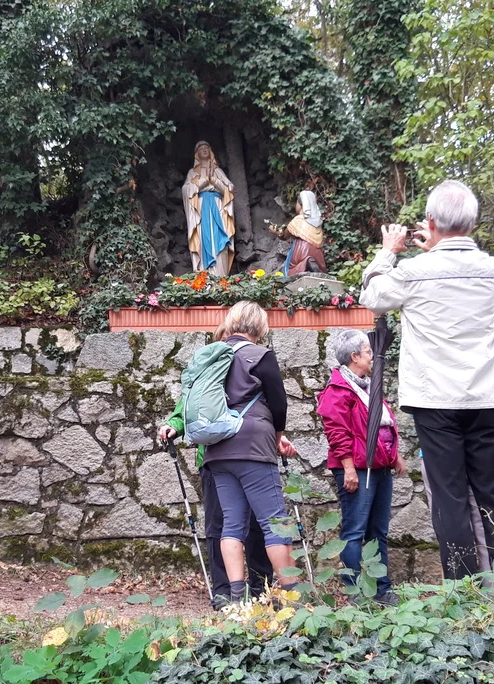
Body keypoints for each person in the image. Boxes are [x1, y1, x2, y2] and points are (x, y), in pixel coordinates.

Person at [359, 180, 494, 580]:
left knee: (449, 498)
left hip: (436, 401)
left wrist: (389, 250)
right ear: (474, 221)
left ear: (430, 221)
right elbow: (453, 268)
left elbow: (372, 296)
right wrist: (434, 244)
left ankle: (464, 591)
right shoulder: (493, 270)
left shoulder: (414, 273)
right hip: (485, 396)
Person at [159, 323, 274, 609]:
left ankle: (261, 588)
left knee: (258, 526)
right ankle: (224, 593)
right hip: (213, 459)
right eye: (223, 341)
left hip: (249, 453)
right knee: (219, 526)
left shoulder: (249, 368)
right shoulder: (207, 372)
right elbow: (186, 409)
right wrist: (173, 426)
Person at [200, 301, 299, 602]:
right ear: (259, 326)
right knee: (274, 520)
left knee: (231, 524)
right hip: (253, 446)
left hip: (216, 448)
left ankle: (235, 600)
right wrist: (276, 437)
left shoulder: (210, 356)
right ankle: (293, 598)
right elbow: (278, 405)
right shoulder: (260, 355)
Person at [316, 329, 405, 604]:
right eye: (368, 352)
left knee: (379, 530)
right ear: (354, 356)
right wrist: (349, 468)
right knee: (355, 530)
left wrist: (395, 455)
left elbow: (383, 423)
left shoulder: (367, 385)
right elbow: (336, 431)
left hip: (379, 465)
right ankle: (355, 592)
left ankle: (381, 589)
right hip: (356, 467)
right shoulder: (338, 389)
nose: (372, 357)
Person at [181, 141, 236, 276]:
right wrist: (204, 181)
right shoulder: (192, 173)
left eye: (207, 148)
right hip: (202, 210)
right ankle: (205, 276)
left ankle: (221, 275)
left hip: (218, 207)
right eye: (201, 148)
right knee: (204, 239)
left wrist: (215, 181)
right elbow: (186, 190)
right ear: (196, 154)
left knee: (220, 240)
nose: (204, 150)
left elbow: (229, 189)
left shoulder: (218, 171)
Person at [271, 190, 327, 277]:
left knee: (289, 270)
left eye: (297, 202)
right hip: (317, 253)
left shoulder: (299, 220)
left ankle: (306, 262)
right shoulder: (318, 223)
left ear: (301, 205)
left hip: (302, 250)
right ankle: (312, 263)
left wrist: (274, 231)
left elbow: (284, 235)